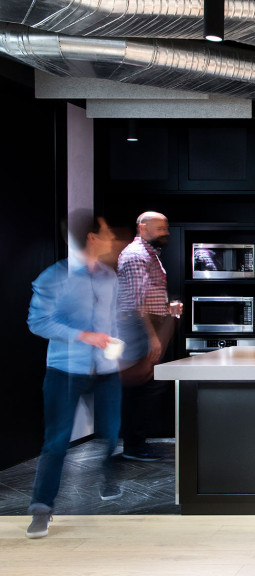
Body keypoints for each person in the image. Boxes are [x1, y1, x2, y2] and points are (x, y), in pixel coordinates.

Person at [26, 211, 122, 539]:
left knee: (111, 433)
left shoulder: (110, 277)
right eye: (108, 233)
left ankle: (108, 477)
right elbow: (37, 322)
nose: (112, 239)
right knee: (56, 442)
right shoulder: (55, 277)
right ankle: (41, 508)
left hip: (106, 370)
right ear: (93, 239)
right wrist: (84, 335)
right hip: (66, 370)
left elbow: (113, 320)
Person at [116, 211, 180, 461]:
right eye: (160, 228)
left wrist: (167, 311)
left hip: (148, 325)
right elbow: (135, 302)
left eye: (166, 228)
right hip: (138, 327)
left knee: (149, 386)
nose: (165, 233)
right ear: (142, 227)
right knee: (141, 387)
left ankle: (137, 443)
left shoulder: (149, 254)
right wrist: (152, 336)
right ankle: (134, 446)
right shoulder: (135, 256)